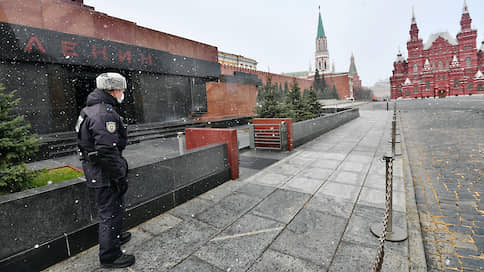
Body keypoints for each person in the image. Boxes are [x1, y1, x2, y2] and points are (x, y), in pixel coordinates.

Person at [76, 72, 135, 268]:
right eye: (122, 90)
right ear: (114, 90)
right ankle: (110, 256)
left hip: (96, 169)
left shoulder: (90, 109)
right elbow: (106, 151)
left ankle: (115, 236)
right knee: (110, 212)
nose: (123, 93)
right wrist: (119, 175)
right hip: (104, 172)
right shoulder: (104, 113)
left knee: (114, 209)